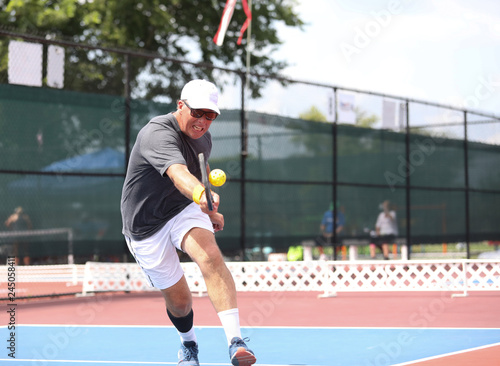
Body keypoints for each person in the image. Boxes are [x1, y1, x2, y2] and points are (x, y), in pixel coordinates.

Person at [120, 80, 256, 366]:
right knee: (180, 301)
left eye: (211, 116)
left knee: (210, 255)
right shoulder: (156, 133)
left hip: (183, 209)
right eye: (198, 113)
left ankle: (236, 341)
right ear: (180, 106)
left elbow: (200, 167)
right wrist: (199, 193)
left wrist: (209, 210)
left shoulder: (202, 136)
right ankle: (189, 345)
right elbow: (178, 172)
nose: (203, 121)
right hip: (145, 226)